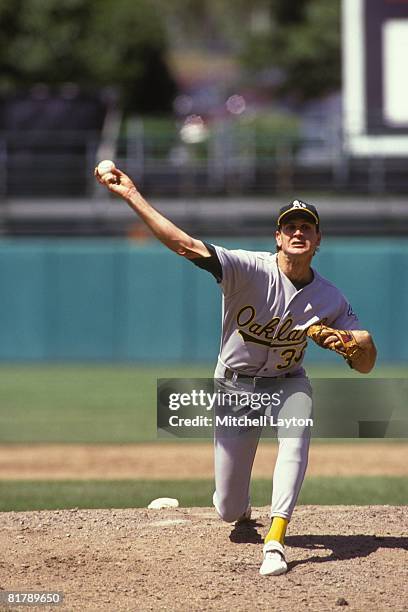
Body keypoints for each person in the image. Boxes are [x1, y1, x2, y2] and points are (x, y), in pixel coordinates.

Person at [95, 167, 377, 576]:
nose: (298, 232)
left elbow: (366, 363)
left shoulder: (331, 297)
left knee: (295, 442)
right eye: (290, 227)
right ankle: (241, 507)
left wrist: (352, 347)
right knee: (228, 509)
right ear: (278, 237)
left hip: (288, 383)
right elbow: (183, 244)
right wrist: (133, 194)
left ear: (317, 240)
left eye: (307, 227)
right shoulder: (247, 269)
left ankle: (276, 539)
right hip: (234, 384)